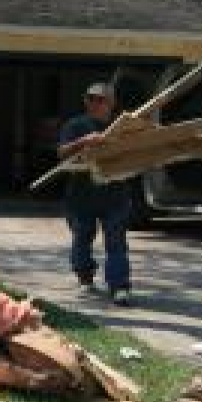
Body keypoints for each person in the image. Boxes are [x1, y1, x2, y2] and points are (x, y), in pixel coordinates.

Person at [56, 82, 132, 305]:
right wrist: (84, 141)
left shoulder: (122, 126)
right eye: (91, 98)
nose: (95, 103)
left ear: (112, 102)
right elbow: (61, 153)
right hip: (81, 197)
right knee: (81, 239)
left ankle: (119, 286)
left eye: (101, 99)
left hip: (115, 195)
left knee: (116, 242)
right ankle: (85, 279)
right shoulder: (75, 125)